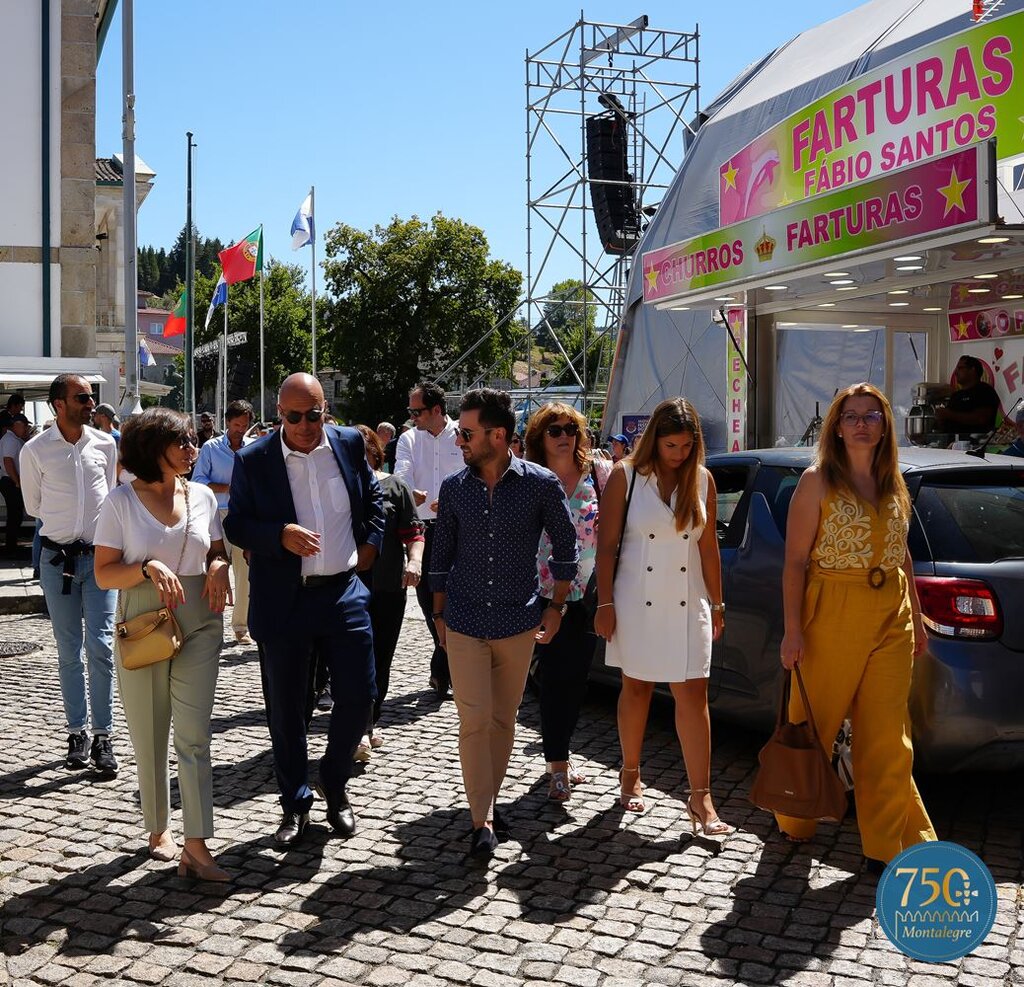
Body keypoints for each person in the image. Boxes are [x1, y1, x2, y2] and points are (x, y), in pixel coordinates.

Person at [778, 382, 937, 867]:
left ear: (886, 423)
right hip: (832, 609)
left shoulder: (895, 480)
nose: (862, 423)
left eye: (872, 415)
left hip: (893, 613)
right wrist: (792, 630)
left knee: (889, 734)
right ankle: (795, 815)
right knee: (814, 724)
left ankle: (887, 846)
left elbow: (901, 553)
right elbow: (794, 563)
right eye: (852, 416)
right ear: (838, 427)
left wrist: (918, 615)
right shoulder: (817, 480)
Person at [224, 373, 384, 846]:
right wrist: (278, 535)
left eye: (313, 414)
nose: (305, 425)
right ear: (279, 415)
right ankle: (295, 803)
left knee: (360, 697)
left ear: (325, 410)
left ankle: (334, 782)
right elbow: (236, 524)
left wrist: (370, 543)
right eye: (294, 416)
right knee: (288, 709)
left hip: (342, 592)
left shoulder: (349, 443)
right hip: (285, 598)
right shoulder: (254, 460)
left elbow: (373, 496)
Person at [430, 388, 578, 859]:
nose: (460, 441)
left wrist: (556, 607)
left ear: (498, 435)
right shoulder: (454, 488)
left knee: (503, 719)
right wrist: (438, 614)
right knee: (474, 720)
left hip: (519, 621)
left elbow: (567, 547)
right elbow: (440, 556)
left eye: (467, 433)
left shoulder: (539, 484)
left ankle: (488, 802)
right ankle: (483, 820)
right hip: (465, 619)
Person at [93, 409, 232, 879]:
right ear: (153, 448)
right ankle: (158, 828)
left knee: (194, 734)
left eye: (193, 441)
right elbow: (103, 571)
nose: (192, 451)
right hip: (143, 616)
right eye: (182, 443)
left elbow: (215, 548)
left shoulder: (203, 497)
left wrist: (219, 564)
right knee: (149, 732)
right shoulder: (119, 502)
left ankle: (197, 844)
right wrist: (148, 568)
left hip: (201, 617)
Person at [594, 398, 732, 835]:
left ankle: (701, 798)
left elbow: (708, 547)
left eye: (687, 445)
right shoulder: (626, 475)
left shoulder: (703, 479)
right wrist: (604, 603)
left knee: (694, 695)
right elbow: (607, 545)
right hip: (636, 598)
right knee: (636, 688)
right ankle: (630, 773)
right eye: (672, 445)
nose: (679, 453)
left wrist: (718, 601)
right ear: (655, 439)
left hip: (689, 601)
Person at [20, 375, 119, 777]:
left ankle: (103, 736)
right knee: (68, 650)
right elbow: (33, 505)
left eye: (91, 397)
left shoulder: (106, 444)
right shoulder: (35, 450)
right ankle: (76, 733)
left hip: (99, 561)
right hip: (56, 560)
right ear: (58, 404)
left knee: (102, 646)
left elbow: (110, 493)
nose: (90, 403)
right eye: (82, 397)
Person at [524, 403, 611, 801]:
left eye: (570, 429)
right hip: (540, 594)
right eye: (554, 430)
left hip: (586, 597)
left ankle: (561, 751)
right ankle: (556, 761)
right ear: (540, 437)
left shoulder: (599, 474)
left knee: (576, 682)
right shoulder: (529, 479)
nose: (563, 436)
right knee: (554, 679)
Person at [354, 425, 424, 759]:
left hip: (387, 588)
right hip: (346, 587)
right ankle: (359, 726)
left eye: (362, 451)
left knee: (381, 656)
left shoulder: (395, 486)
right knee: (353, 656)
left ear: (374, 452)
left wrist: (414, 562)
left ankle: (369, 720)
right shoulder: (336, 486)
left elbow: (414, 533)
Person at [394, 382, 464, 699]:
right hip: (422, 530)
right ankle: (445, 657)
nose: (412, 416)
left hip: (460, 528)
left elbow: (475, 474)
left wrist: (453, 499)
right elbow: (401, 475)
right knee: (426, 601)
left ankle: (443, 665)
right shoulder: (409, 438)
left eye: (416, 411)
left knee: (456, 598)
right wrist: (412, 493)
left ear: (436, 410)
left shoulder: (463, 435)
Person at [193, 399, 255, 645]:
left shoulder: (253, 447)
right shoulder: (210, 448)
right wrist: (229, 487)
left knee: (244, 572)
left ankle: (241, 626)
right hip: (216, 515)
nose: (241, 429)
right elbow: (198, 480)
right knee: (215, 569)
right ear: (228, 422)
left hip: (243, 515)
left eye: (245, 424)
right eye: (237, 424)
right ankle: (208, 625)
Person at [934, 355, 1000, 436]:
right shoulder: (956, 396)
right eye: (956, 369)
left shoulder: (985, 391)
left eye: (960, 368)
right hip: (950, 444)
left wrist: (949, 414)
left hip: (975, 444)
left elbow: (981, 418)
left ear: (973, 370)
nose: (956, 372)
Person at [0, 414, 30, 556]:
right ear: (17, 425)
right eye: (24, 426)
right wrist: (17, 481)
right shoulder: (10, 440)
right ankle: (11, 548)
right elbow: (8, 461)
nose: (26, 429)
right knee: (15, 515)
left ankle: (11, 546)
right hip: (10, 481)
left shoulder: (13, 439)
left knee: (15, 515)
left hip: (10, 480)